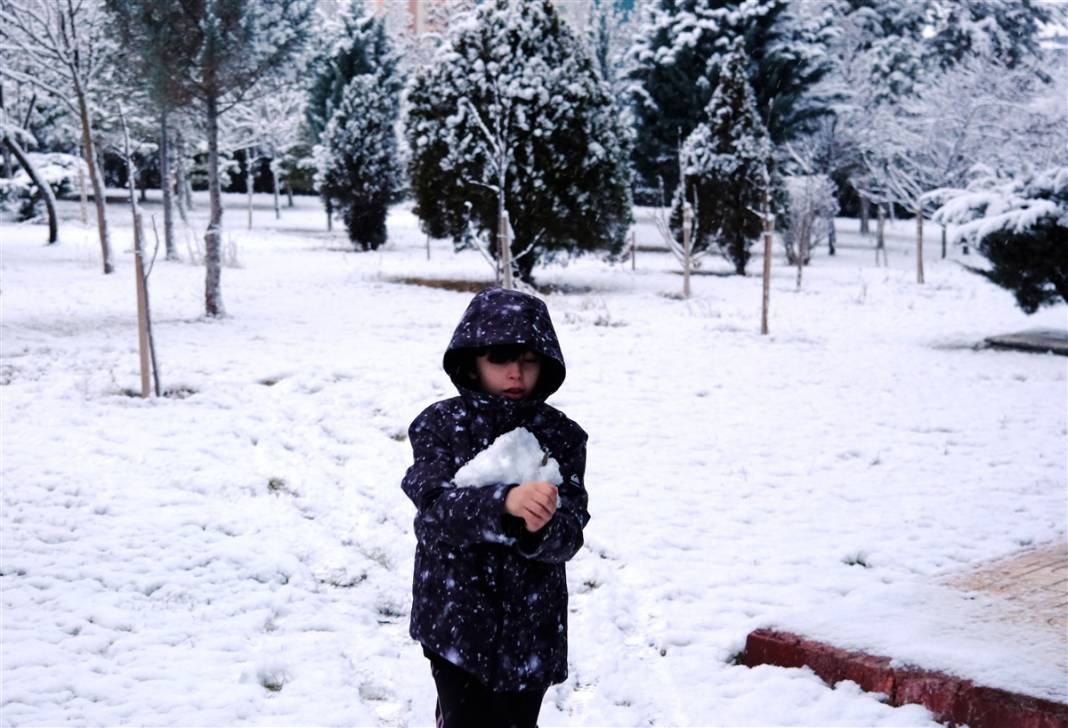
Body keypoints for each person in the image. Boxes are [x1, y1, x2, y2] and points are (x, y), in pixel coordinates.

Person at [402, 287, 590, 728]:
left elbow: (571, 530)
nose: (515, 374)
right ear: (472, 362)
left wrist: (542, 526)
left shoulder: (561, 437)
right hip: (454, 620)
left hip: (531, 627)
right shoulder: (440, 426)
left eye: (527, 361)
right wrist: (503, 503)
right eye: (500, 360)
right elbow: (433, 509)